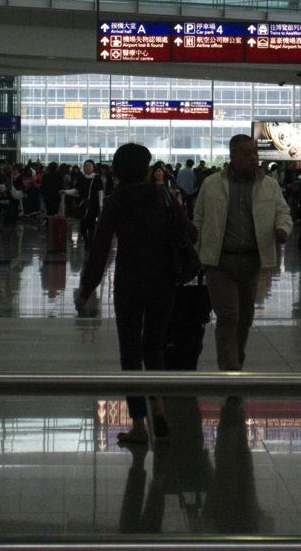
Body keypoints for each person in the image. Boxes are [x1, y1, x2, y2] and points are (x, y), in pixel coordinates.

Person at [75, 143, 197, 444]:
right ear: (146, 170)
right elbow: (191, 234)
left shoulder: (117, 201)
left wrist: (86, 288)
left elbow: (100, 249)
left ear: (116, 172)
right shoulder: (165, 196)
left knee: (130, 351)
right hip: (164, 282)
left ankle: (139, 425)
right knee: (154, 346)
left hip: (130, 283)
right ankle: (159, 408)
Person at [194, 134, 292, 371]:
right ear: (233, 156)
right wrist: (197, 254)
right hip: (219, 262)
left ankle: (236, 359)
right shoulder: (212, 184)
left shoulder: (269, 185)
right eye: (247, 153)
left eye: (255, 152)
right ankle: (229, 371)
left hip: (251, 261)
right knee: (228, 316)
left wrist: (282, 229)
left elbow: (283, 212)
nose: (253, 157)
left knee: (245, 317)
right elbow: (199, 220)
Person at [61, 159, 103, 246]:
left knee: (91, 224)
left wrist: (101, 205)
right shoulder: (81, 178)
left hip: (93, 205)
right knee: (83, 224)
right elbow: (76, 190)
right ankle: (86, 240)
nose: (87, 167)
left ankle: (90, 243)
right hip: (82, 205)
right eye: (85, 166)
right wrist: (66, 192)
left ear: (93, 167)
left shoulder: (97, 179)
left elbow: (100, 192)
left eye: (89, 166)